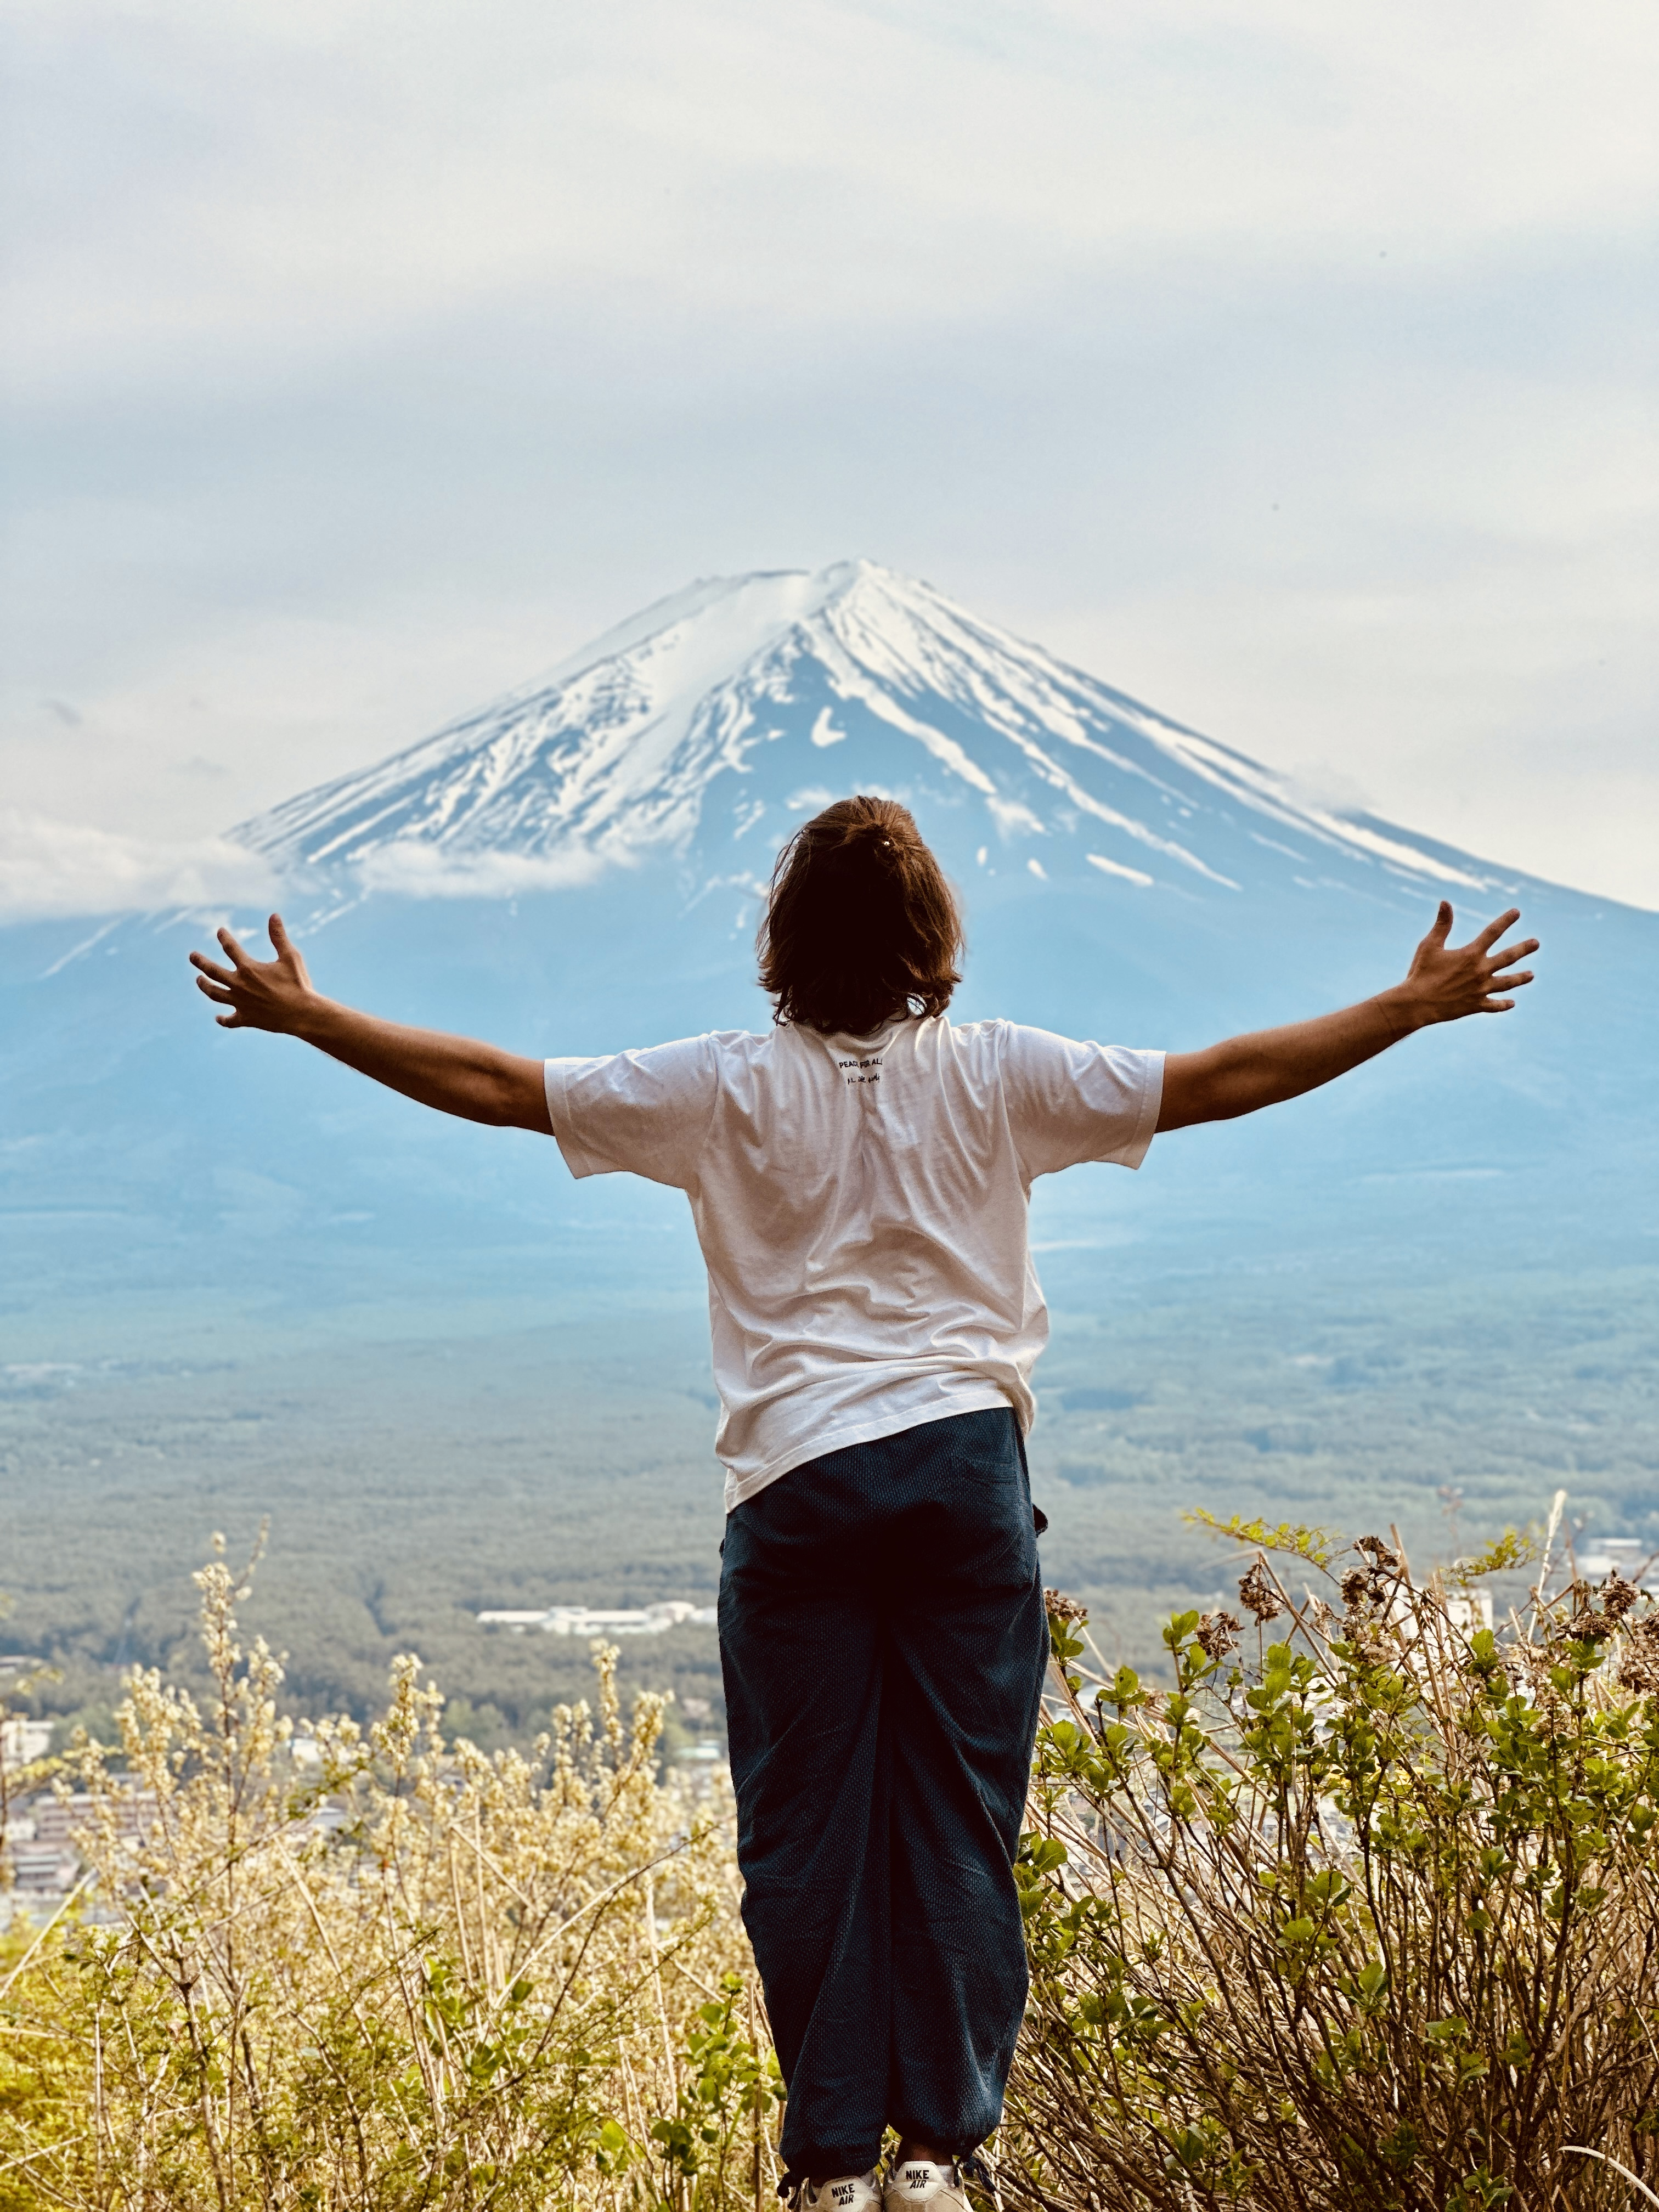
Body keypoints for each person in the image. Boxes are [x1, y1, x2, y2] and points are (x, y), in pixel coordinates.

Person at [189, 794, 1537, 2212]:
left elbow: (496, 1084)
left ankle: (833, 2168)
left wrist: (311, 1018)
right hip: (963, 1477)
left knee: (805, 1834)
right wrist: (1407, 1008)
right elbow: (1220, 1077)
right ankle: (941, 2158)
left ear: (782, 943)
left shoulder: (720, 1087)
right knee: (960, 1817)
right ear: (930, 937)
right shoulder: (1002, 1073)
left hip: (798, 1487)